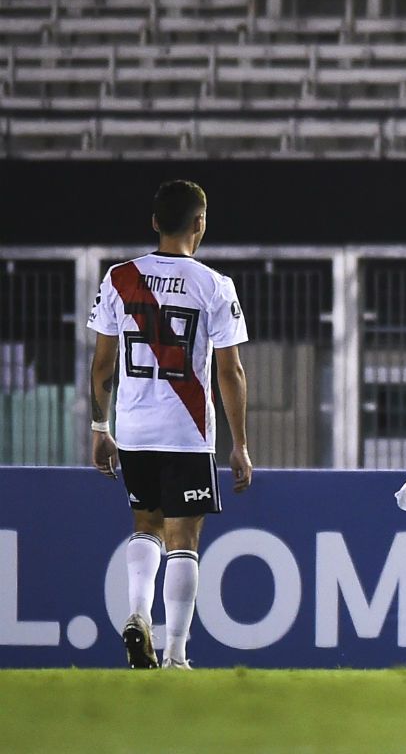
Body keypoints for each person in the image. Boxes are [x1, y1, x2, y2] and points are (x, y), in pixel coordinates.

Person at [87, 180, 253, 669]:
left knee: (146, 527)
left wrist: (100, 428)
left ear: (155, 222)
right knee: (184, 539)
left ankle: (138, 614)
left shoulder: (119, 279)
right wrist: (240, 444)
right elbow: (230, 370)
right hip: (187, 433)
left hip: (134, 430)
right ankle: (177, 655)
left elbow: (101, 365)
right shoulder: (215, 286)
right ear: (199, 223)